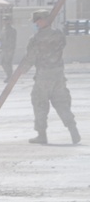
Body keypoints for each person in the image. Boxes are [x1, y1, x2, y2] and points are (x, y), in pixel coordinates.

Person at [24, 9, 80, 145]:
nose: (36, 23)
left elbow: (30, 58)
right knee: (61, 103)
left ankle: (42, 134)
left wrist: (22, 70)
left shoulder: (36, 39)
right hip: (58, 74)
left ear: (41, 21)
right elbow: (63, 45)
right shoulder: (59, 35)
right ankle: (73, 130)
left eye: (37, 20)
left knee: (39, 103)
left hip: (43, 75)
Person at [0, 14, 17, 82]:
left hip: (9, 49)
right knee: (3, 63)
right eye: (4, 20)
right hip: (4, 49)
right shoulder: (3, 30)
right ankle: (9, 75)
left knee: (8, 63)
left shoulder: (12, 30)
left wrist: (11, 49)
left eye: (6, 20)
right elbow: (2, 39)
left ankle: (9, 76)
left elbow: (12, 41)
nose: (5, 21)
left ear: (9, 21)